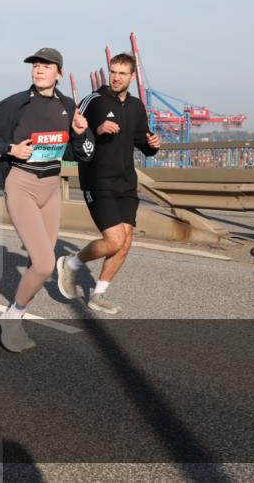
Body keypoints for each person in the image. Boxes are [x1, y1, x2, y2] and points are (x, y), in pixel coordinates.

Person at [0, 48, 95, 352]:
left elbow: (84, 154)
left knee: (35, 262)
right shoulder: (16, 104)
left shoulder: (70, 106)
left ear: (59, 73)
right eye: (35, 66)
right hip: (22, 185)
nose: (39, 71)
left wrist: (81, 135)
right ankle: (13, 316)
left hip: (52, 187)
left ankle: (17, 310)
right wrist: (10, 149)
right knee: (44, 264)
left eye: (46, 66)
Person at [56, 52, 161, 315]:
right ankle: (71, 263)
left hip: (126, 181)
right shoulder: (94, 100)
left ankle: (98, 294)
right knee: (114, 240)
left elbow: (142, 142)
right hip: (97, 178)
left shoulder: (136, 106)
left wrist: (152, 145)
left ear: (132, 76)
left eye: (122, 73)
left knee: (125, 243)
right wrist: (97, 130)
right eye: (113, 71)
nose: (116, 77)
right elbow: (73, 135)